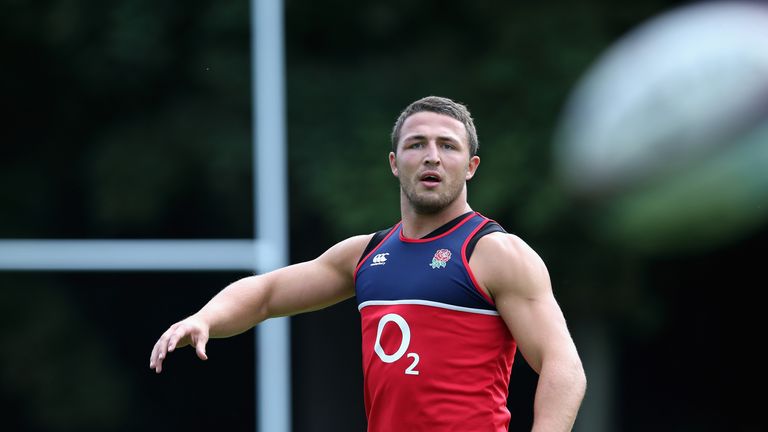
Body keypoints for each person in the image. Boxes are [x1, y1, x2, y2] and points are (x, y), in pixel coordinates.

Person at [149, 96, 587, 431]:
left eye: (447, 146)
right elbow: (265, 295)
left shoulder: (494, 252)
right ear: (396, 164)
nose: (432, 156)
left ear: (470, 166)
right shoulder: (366, 255)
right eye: (417, 144)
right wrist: (206, 318)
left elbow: (563, 366)